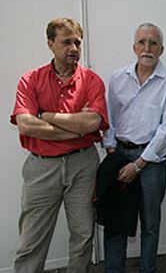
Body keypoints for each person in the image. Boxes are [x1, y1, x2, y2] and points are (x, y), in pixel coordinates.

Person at [10, 17, 109, 273]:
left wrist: (45, 115)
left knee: (84, 234)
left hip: (83, 165)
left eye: (78, 42)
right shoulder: (30, 80)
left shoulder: (92, 81)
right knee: (32, 240)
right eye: (66, 42)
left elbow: (92, 123)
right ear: (50, 44)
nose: (74, 48)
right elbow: (26, 125)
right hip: (41, 168)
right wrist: (75, 130)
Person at [102, 22, 166, 273]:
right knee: (116, 221)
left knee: (150, 222)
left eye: (153, 43)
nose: (147, 48)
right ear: (134, 46)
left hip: (151, 161)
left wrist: (138, 164)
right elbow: (110, 119)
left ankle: (147, 269)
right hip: (119, 153)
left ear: (161, 49)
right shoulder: (118, 78)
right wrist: (112, 152)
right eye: (142, 42)